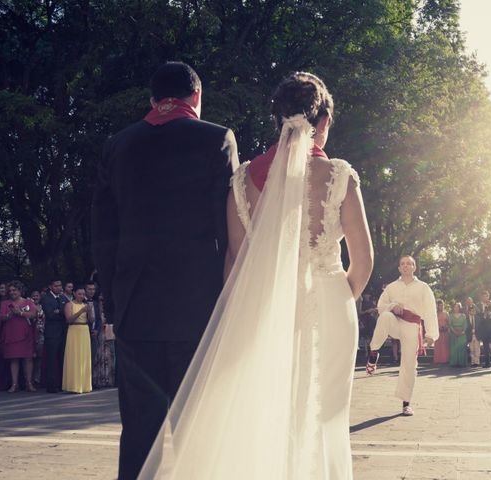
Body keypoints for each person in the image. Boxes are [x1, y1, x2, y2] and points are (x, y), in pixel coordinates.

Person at [138, 71, 373, 478]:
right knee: (326, 416)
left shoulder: (242, 180)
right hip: (331, 307)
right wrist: (337, 296)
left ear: (277, 120)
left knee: (272, 412)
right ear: (324, 123)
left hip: (264, 311)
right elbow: (364, 259)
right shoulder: (338, 175)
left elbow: (234, 261)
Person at [92, 61, 239, 479]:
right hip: (199, 307)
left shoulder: (118, 145)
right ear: (196, 97)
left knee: (139, 432)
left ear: (153, 100)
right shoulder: (217, 139)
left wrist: (114, 301)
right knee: (198, 431)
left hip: (136, 309)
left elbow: (102, 232)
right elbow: (227, 225)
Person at [367, 255, 438, 416]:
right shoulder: (391, 287)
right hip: (395, 322)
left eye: (409, 263)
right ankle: (373, 353)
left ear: (414, 267)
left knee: (409, 364)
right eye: (403, 264)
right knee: (384, 316)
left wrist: (431, 334)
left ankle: (406, 403)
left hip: (412, 327)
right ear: (399, 268)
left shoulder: (423, 287)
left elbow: (430, 310)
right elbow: (380, 307)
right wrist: (393, 306)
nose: (406, 266)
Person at [0, 280, 37, 393]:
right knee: (13, 359)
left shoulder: (28, 302)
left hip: (25, 333)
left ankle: (29, 383)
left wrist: (19, 313)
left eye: (14, 290)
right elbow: (1, 318)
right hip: (11, 333)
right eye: (10, 290)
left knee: (28, 359)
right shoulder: (5, 303)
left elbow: (33, 315)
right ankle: (14, 384)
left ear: (20, 290)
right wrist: (9, 314)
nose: (12, 292)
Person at [62, 286, 92, 394]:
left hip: (84, 330)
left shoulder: (85, 305)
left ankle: (84, 385)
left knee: (84, 357)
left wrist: (89, 312)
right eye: (79, 294)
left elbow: (91, 320)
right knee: (74, 356)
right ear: (74, 293)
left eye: (83, 294)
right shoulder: (69, 305)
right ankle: (73, 385)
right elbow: (69, 319)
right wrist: (81, 311)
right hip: (74, 330)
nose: (81, 296)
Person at [41, 279, 69, 393]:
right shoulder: (46, 298)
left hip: (63, 332)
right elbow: (50, 314)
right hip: (52, 333)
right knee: (52, 359)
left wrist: (59, 311)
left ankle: (62, 383)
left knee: (62, 358)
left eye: (60, 285)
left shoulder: (63, 298)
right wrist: (61, 312)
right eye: (56, 285)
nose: (59, 287)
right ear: (50, 286)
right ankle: (51, 385)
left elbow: (67, 310)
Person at [476, 290, 491, 368]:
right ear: (481, 297)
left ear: (488, 296)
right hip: (484, 330)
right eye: (483, 296)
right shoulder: (478, 305)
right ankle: (487, 363)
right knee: (485, 348)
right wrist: (484, 314)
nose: (485, 298)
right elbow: (478, 316)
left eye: (486, 296)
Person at [29, 290, 46, 386]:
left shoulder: (42, 307)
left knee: (39, 356)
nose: (35, 297)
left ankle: (36, 378)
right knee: (30, 356)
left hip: (41, 333)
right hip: (30, 333)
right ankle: (28, 379)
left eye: (37, 295)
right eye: (33, 296)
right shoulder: (28, 306)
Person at [448, 302, 468, 367]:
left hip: (462, 334)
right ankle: (454, 363)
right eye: (455, 307)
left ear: (460, 308)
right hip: (454, 334)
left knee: (462, 348)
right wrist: (454, 331)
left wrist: (462, 332)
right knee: (454, 348)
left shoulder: (463, 315)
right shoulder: (450, 315)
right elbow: (450, 325)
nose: (456, 308)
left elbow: (465, 324)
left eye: (457, 307)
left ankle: (462, 363)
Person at [433, 299, 450, 364]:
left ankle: (445, 360)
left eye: (442, 305)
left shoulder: (446, 313)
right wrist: (438, 328)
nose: (441, 307)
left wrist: (446, 327)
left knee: (445, 345)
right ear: (437, 306)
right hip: (437, 332)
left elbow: (449, 322)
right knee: (438, 346)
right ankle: (438, 360)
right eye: (440, 305)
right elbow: (433, 323)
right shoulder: (435, 313)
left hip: (445, 332)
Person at [467, 302, 481, 367]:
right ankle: (472, 362)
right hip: (470, 335)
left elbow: (481, 326)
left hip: (477, 335)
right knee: (471, 349)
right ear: (469, 311)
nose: (473, 312)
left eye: (474, 310)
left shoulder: (478, 318)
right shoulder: (467, 318)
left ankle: (477, 362)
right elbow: (466, 327)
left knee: (477, 349)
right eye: (471, 310)